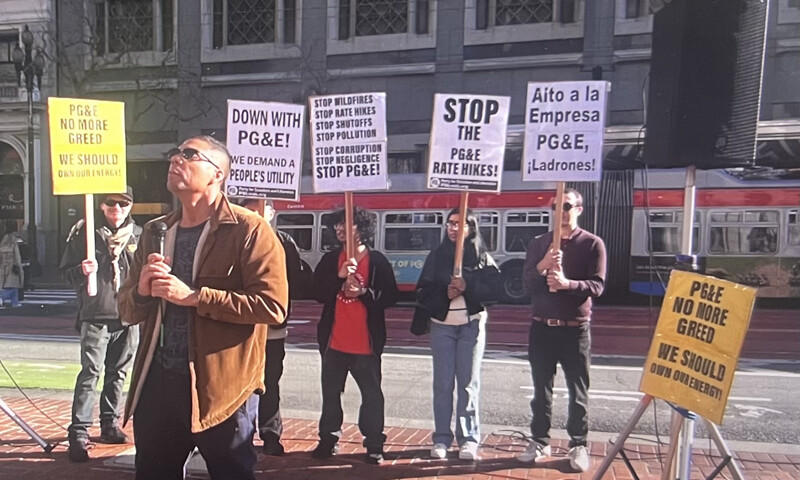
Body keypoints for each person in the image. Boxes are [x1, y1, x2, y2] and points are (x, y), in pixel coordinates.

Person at [117, 136, 288, 480]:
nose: (175, 160)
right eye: (174, 153)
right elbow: (127, 310)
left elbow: (272, 306)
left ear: (217, 174)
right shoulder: (155, 230)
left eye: (189, 154)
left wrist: (195, 296)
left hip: (222, 387)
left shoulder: (249, 229)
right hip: (159, 383)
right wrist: (143, 291)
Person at [516, 188, 606, 473]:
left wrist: (568, 284)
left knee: (577, 390)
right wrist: (543, 265)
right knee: (541, 389)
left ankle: (578, 444)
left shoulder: (592, 244)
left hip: (575, 329)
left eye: (566, 206)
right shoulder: (539, 242)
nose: (561, 212)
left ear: (579, 209)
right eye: (555, 207)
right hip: (542, 326)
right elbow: (526, 283)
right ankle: (539, 440)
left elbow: (598, 286)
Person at [59, 187, 141, 462]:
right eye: (111, 203)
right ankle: (79, 432)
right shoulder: (85, 232)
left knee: (118, 373)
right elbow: (66, 275)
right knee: (90, 372)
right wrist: (81, 271)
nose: (117, 208)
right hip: (95, 315)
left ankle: (110, 424)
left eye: (123, 203)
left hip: (128, 317)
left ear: (130, 206)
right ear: (102, 207)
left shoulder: (141, 236)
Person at [311, 206, 398, 465]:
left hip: (365, 345)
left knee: (372, 396)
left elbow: (390, 296)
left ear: (361, 229)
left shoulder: (377, 261)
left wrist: (364, 293)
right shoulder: (331, 260)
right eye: (336, 225)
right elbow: (316, 293)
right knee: (330, 394)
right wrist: (338, 280)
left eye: (345, 224)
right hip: (334, 343)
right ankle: (328, 440)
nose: (338, 229)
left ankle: (373, 444)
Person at [413, 208, 500, 461]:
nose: (452, 228)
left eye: (459, 224)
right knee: (442, 384)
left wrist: (467, 286)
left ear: (470, 228)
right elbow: (422, 292)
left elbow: (494, 291)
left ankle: (468, 439)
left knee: (468, 385)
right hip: (442, 327)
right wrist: (445, 294)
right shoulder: (436, 257)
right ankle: (441, 438)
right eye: (449, 224)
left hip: (471, 327)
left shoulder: (482, 256)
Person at [235, 197, 312, 456]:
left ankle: (270, 433)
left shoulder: (284, 242)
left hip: (272, 330)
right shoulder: (232, 239)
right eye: (250, 209)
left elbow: (299, 284)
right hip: (239, 328)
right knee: (237, 384)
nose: (256, 214)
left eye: (261, 209)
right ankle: (239, 434)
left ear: (271, 212)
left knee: (270, 383)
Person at [0, 221, 24, 308]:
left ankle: (15, 301)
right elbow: (16, 252)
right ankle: (2, 297)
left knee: (13, 285)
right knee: (12, 285)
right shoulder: (14, 237)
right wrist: (19, 264)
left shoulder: (4, 237)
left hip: (4, 265)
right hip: (13, 265)